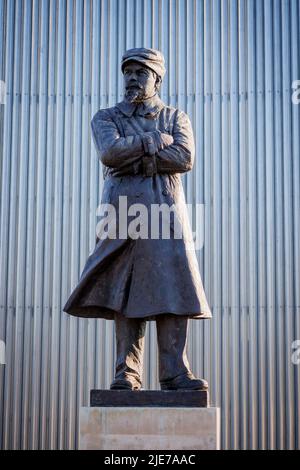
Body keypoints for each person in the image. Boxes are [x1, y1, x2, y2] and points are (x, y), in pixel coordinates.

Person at [63, 47, 212, 391]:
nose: (131, 78)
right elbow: (110, 153)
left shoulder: (176, 117)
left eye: (140, 72)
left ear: (157, 79)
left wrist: (137, 160)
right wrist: (152, 142)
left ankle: (175, 373)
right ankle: (126, 373)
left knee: (174, 286)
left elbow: (184, 156)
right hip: (122, 214)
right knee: (125, 289)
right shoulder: (107, 117)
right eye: (127, 72)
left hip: (165, 214)